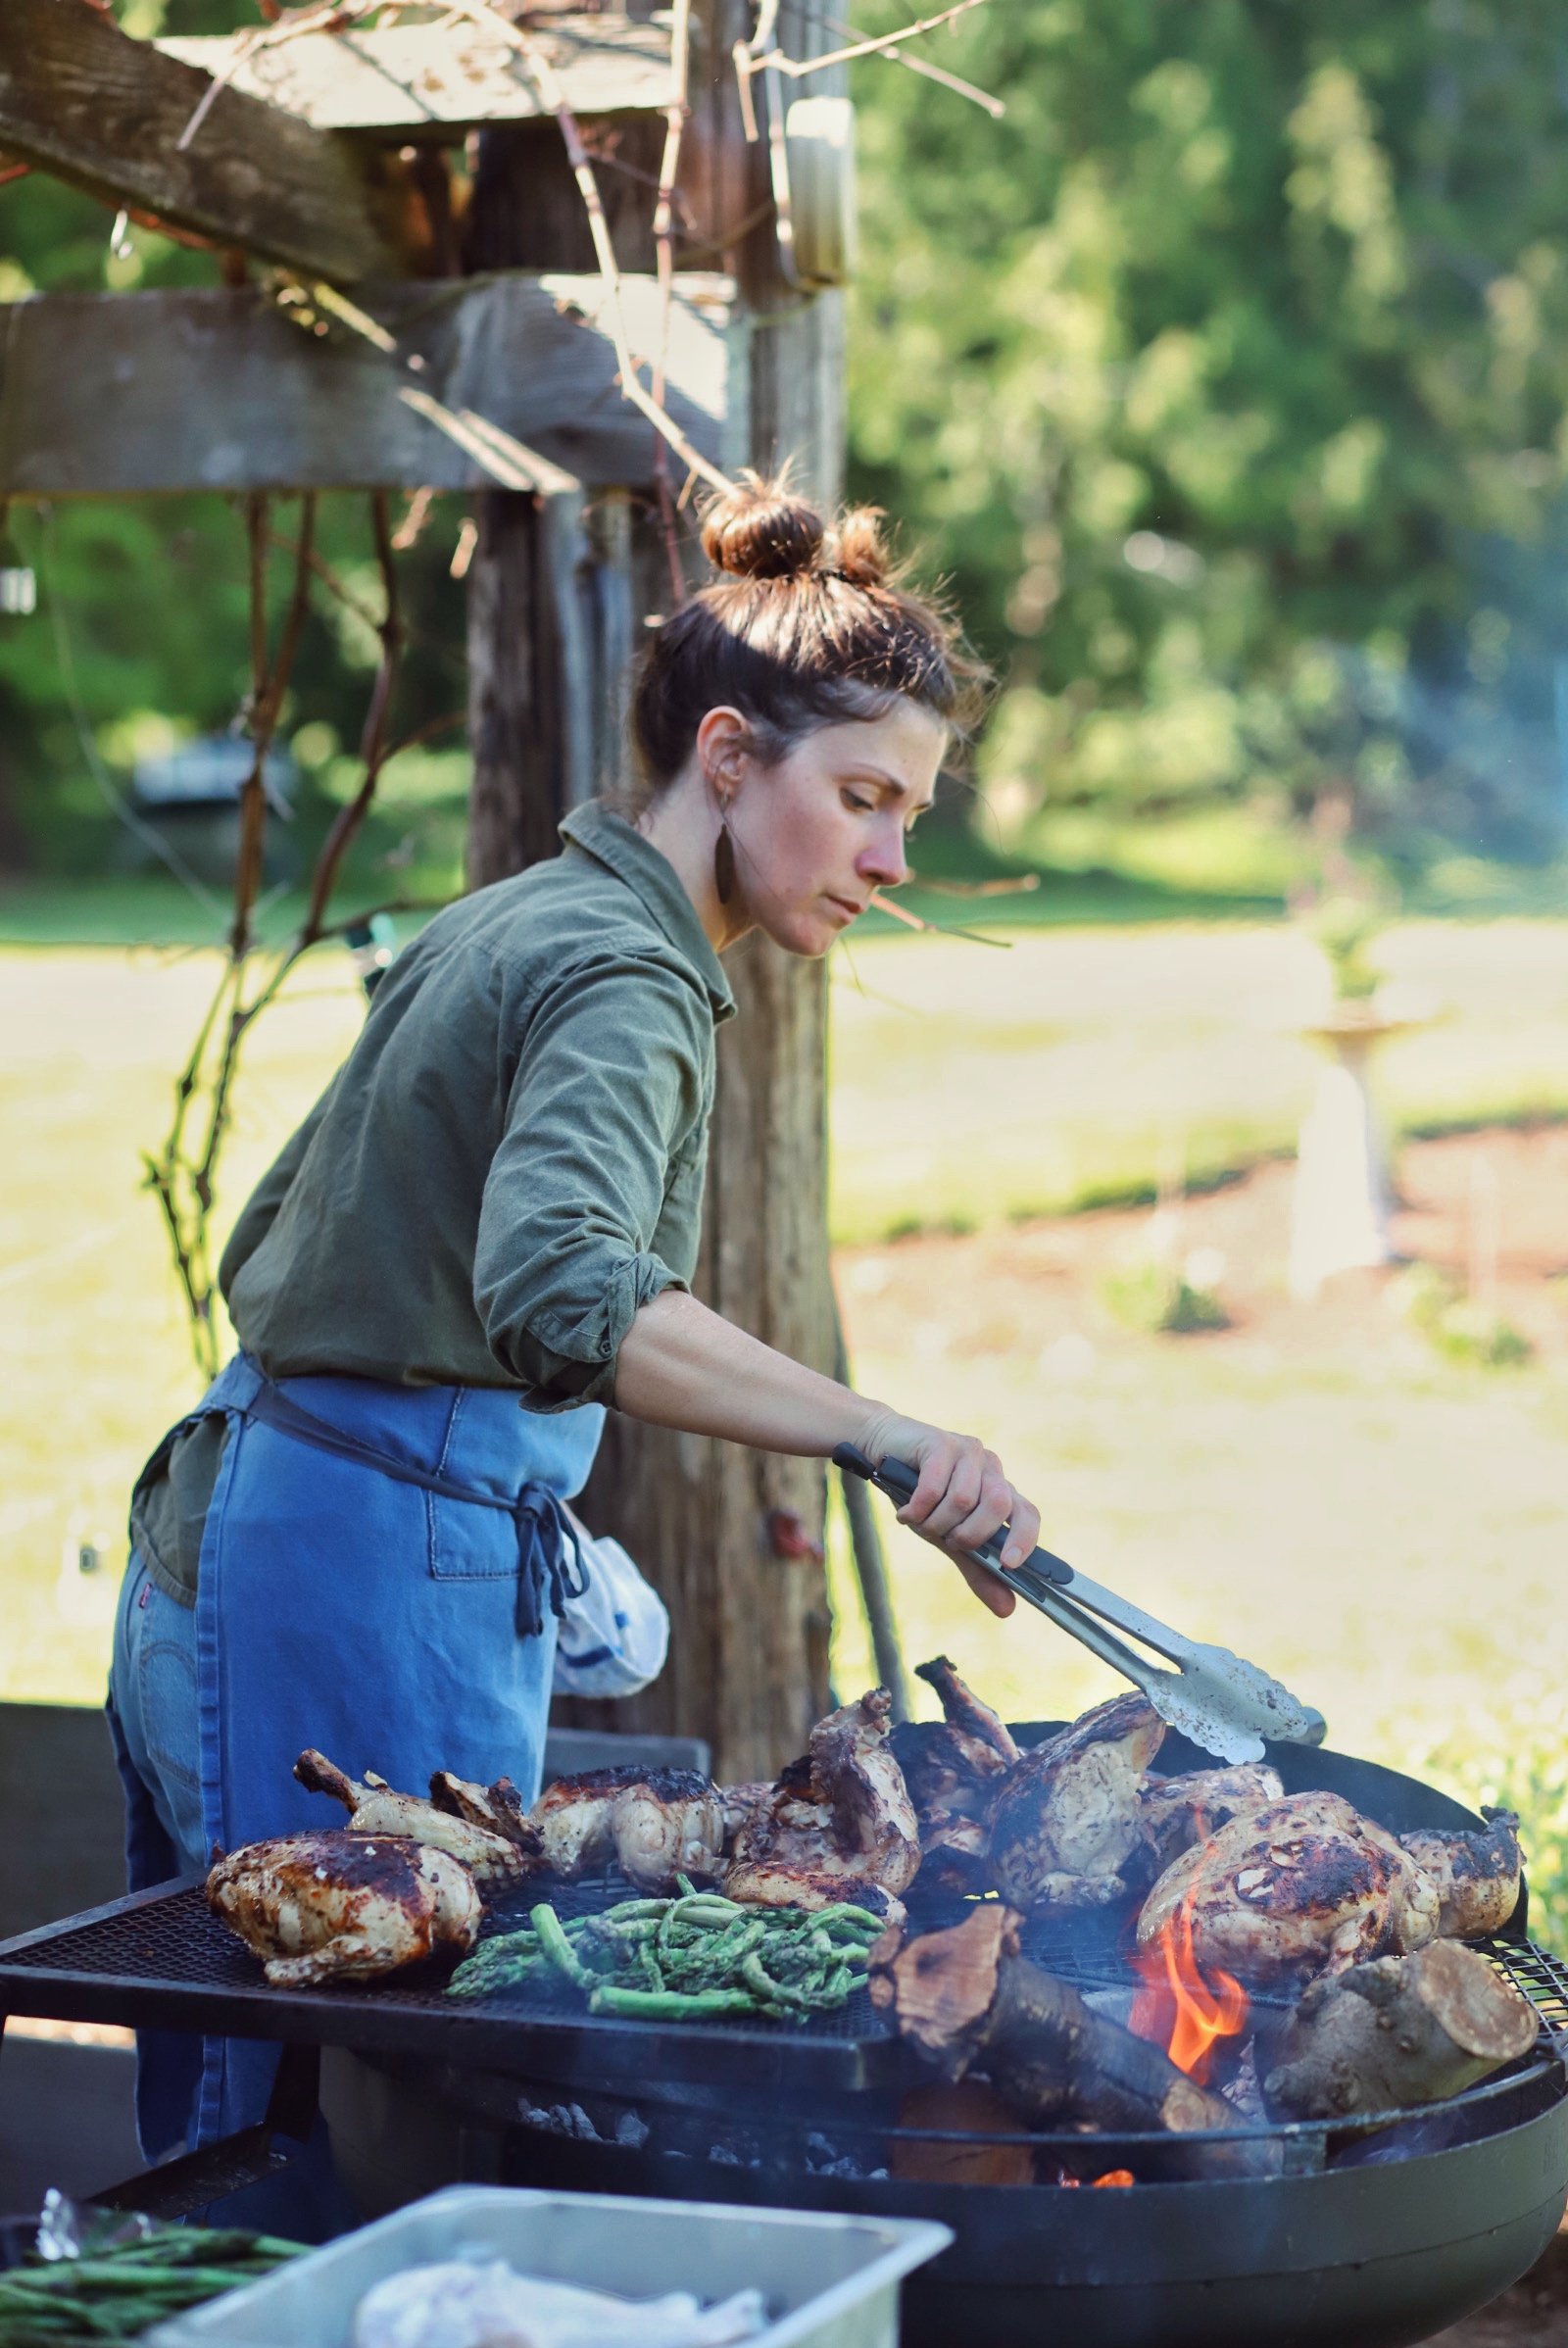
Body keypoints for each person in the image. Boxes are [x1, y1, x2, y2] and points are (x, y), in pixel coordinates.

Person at [107, 473, 1040, 2194]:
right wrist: (890, 1437)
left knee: (273, 2110)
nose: (897, 859)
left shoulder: (538, 914)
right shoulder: (622, 971)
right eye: (865, 798)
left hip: (279, 1530)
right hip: (351, 1567)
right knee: (336, 2139)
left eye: (910, 810)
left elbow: (304, 1241)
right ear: (732, 754)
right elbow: (568, 1295)